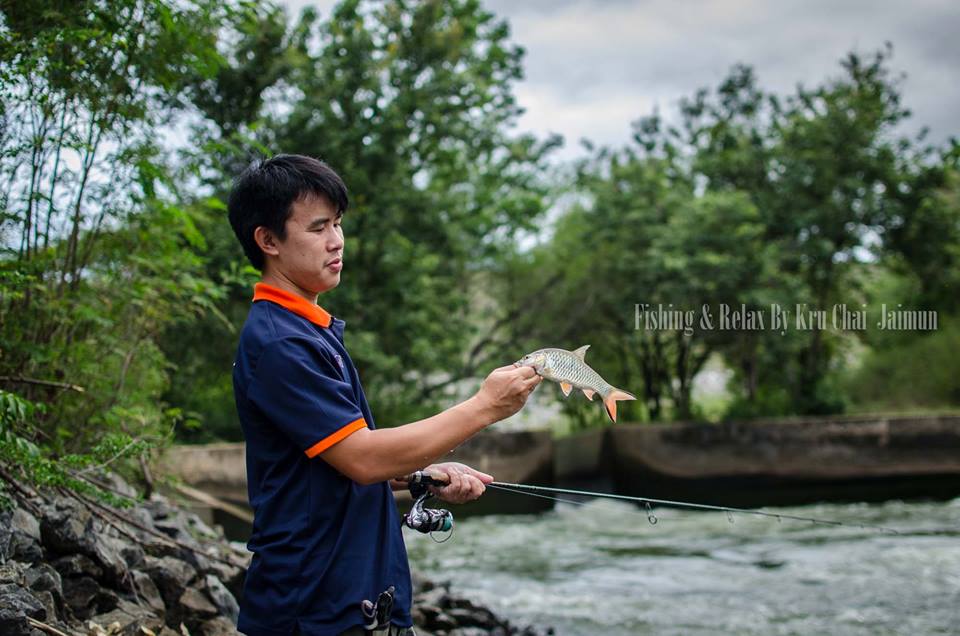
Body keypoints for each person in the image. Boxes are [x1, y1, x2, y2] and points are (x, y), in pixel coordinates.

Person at [227, 154, 541, 636]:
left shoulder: (308, 330)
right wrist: (485, 407)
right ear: (268, 240)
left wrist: (420, 476)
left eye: (337, 223)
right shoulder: (280, 342)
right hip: (312, 610)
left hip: (355, 602)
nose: (336, 241)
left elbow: (328, 468)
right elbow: (365, 460)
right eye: (317, 228)